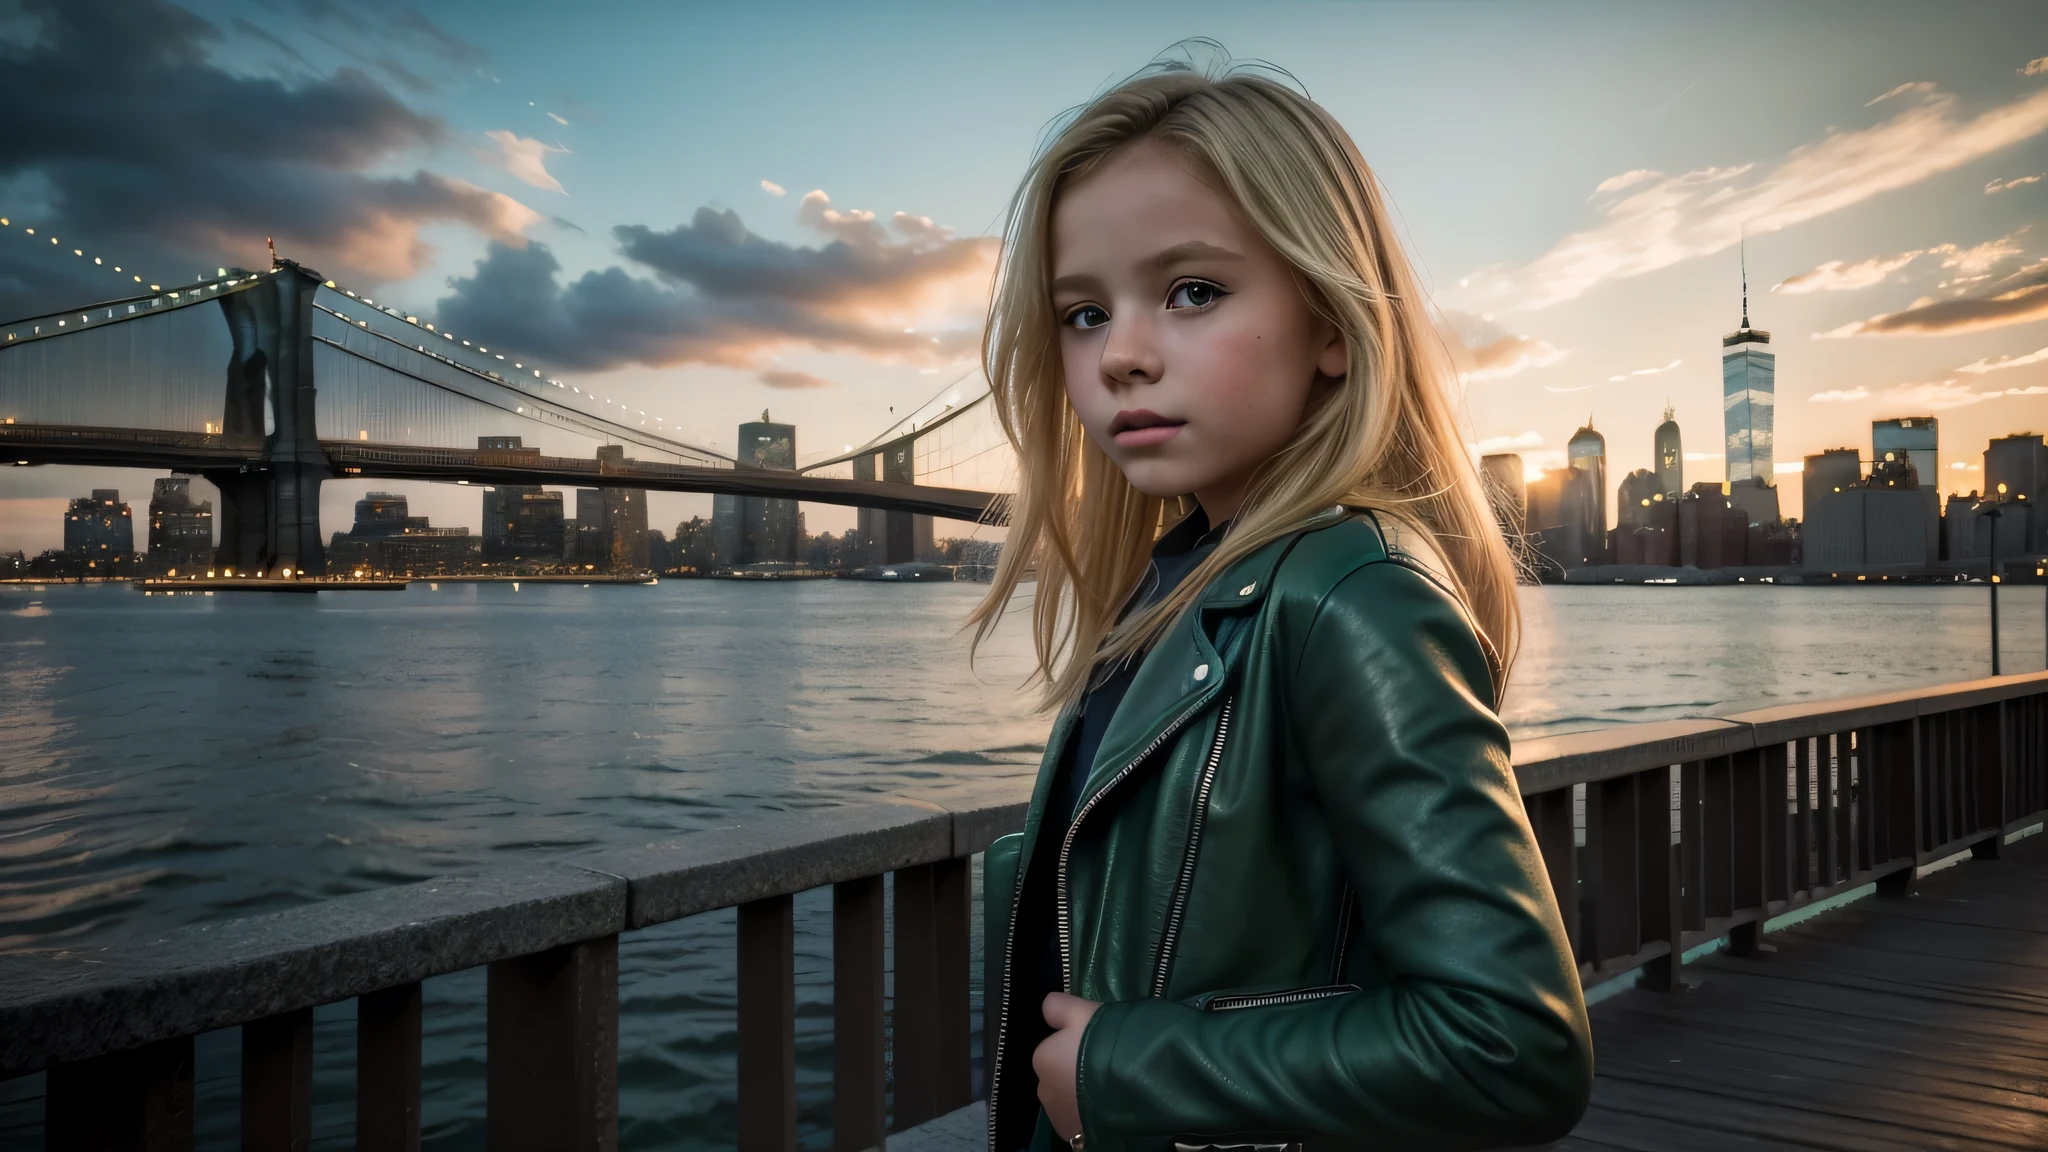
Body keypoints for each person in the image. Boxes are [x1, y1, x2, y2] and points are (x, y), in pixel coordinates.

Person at [964, 50, 1594, 1152]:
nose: (1119, 354)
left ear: (1335, 326)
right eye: (1080, 313)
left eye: (1192, 292)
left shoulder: (1352, 597)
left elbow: (1510, 1046)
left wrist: (1130, 1067)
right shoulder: (1181, 583)